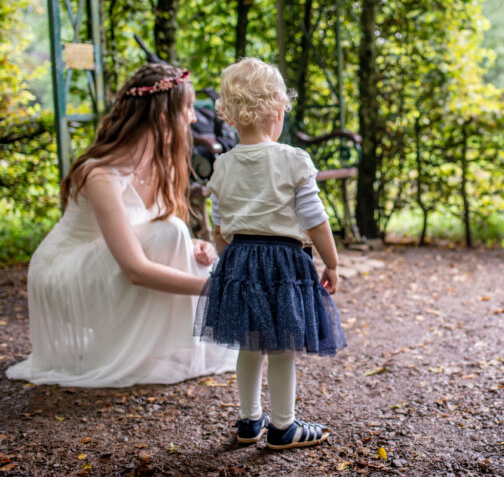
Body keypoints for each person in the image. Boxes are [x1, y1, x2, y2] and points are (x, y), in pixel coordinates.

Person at [5, 63, 236, 388]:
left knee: (176, 233)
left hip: (109, 262)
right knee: (173, 236)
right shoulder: (99, 173)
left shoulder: (159, 161)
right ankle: (139, 350)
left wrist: (197, 246)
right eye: (187, 108)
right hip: (65, 273)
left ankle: (161, 348)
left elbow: (156, 226)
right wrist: (218, 290)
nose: (194, 118)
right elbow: (135, 269)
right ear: (162, 116)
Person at [194, 57, 346, 450]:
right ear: (278, 111)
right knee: (281, 346)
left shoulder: (222, 165)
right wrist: (330, 261)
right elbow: (314, 218)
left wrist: (230, 263)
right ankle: (284, 425)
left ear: (229, 116)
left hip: (240, 260)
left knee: (249, 343)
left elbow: (220, 223)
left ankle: (249, 420)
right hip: (283, 262)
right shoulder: (292, 159)